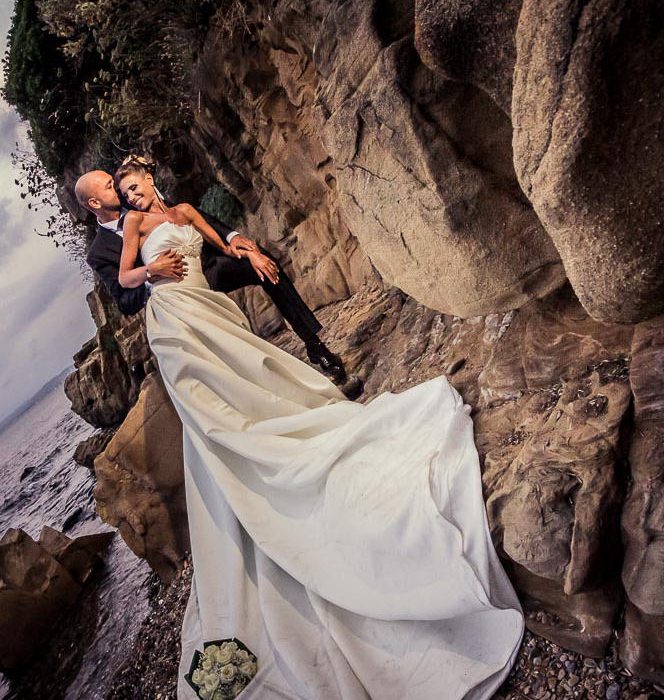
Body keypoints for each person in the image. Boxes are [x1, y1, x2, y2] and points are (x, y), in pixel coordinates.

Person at [106, 158, 525, 699]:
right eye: (123, 192)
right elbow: (122, 280)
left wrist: (247, 247)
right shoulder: (133, 228)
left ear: (151, 178)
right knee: (207, 409)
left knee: (249, 376)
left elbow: (219, 244)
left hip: (207, 305)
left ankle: (283, 408)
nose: (132, 196)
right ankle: (236, 466)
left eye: (134, 185)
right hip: (172, 320)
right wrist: (149, 274)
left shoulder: (183, 209)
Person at [78, 161, 362, 398]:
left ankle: (316, 346)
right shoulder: (101, 251)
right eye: (109, 187)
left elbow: (191, 218)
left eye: (116, 185)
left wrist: (234, 240)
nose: (119, 191)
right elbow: (125, 300)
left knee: (262, 261)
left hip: (209, 267)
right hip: (176, 294)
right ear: (94, 202)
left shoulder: (140, 198)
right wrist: (156, 275)